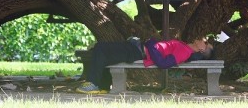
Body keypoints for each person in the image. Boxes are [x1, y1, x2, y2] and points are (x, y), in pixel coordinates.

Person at [76, 36, 213, 94]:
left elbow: (163, 63)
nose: (204, 39)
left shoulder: (185, 52)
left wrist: (150, 44)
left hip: (137, 52)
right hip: (137, 48)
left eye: (206, 42)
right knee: (102, 52)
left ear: (202, 50)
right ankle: (103, 86)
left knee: (101, 48)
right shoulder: (184, 46)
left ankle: (93, 84)